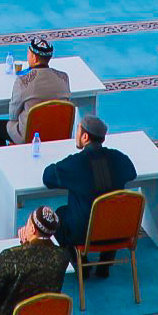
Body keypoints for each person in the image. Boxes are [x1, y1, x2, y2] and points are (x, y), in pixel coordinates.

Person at [41, 116, 137, 277]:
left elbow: (48, 177)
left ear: (85, 137)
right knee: (109, 210)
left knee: (59, 216)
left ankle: (81, 262)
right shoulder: (119, 158)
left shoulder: (76, 163)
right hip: (118, 230)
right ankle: (106, 262)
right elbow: (132, 173)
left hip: (85, 234)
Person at [0, 38, 73, 147]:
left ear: (34, 58)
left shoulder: (23, 81)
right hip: (59, 133)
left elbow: (13, 116)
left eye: (28, 54)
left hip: (30, 135)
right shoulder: (64, 77)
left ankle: (6, 157)